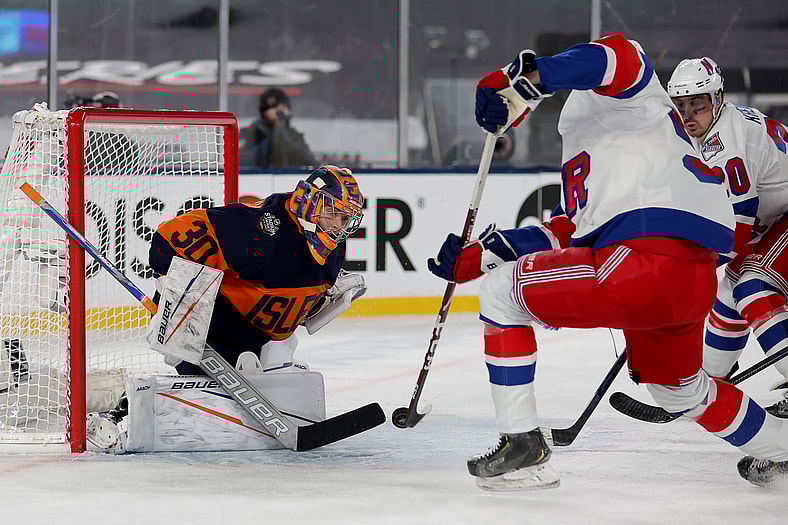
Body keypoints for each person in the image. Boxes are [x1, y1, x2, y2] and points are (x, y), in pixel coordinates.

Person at [428, 35, 788, 490]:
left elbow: (615, 55)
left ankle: (523, 448)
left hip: (642, 261)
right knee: (679, 390)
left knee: (501, 293)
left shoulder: (631, 96)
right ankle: (783, 446)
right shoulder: (598, 147)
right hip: (691, 277)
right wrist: (482, 255)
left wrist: (528, 78)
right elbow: (564, 231)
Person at [86, 165, 366, 453]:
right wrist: (176, 294)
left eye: (346, 218)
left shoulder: (330, 245)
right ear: (310, 201)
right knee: (201, 399)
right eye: (334, 213)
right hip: (210, 327)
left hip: (259, 336)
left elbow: (293, 289)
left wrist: (323, 299)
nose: (339, 225)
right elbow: (170, 236)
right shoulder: (263, 232)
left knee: (278, 380)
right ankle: (117, 413)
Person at [667, 58, 788, 481]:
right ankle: (710, 377)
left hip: (776, 219)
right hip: (774, 221)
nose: (688, 115)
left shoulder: (726, 142)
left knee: (752, 284)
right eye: (681, 105)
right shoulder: (707, 130)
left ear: (717, 99)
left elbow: (739, 224)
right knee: (733, 283)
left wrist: (684, 270)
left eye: (697, 105)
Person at [239, 88, 316, 169]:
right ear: (264, 112)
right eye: (274, 107)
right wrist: (269, 139)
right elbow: (241, 163)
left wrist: (283, 133)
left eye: (283, 107)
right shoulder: (249, 133)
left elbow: (310, 164)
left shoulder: (293, 136)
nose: (279, 112)